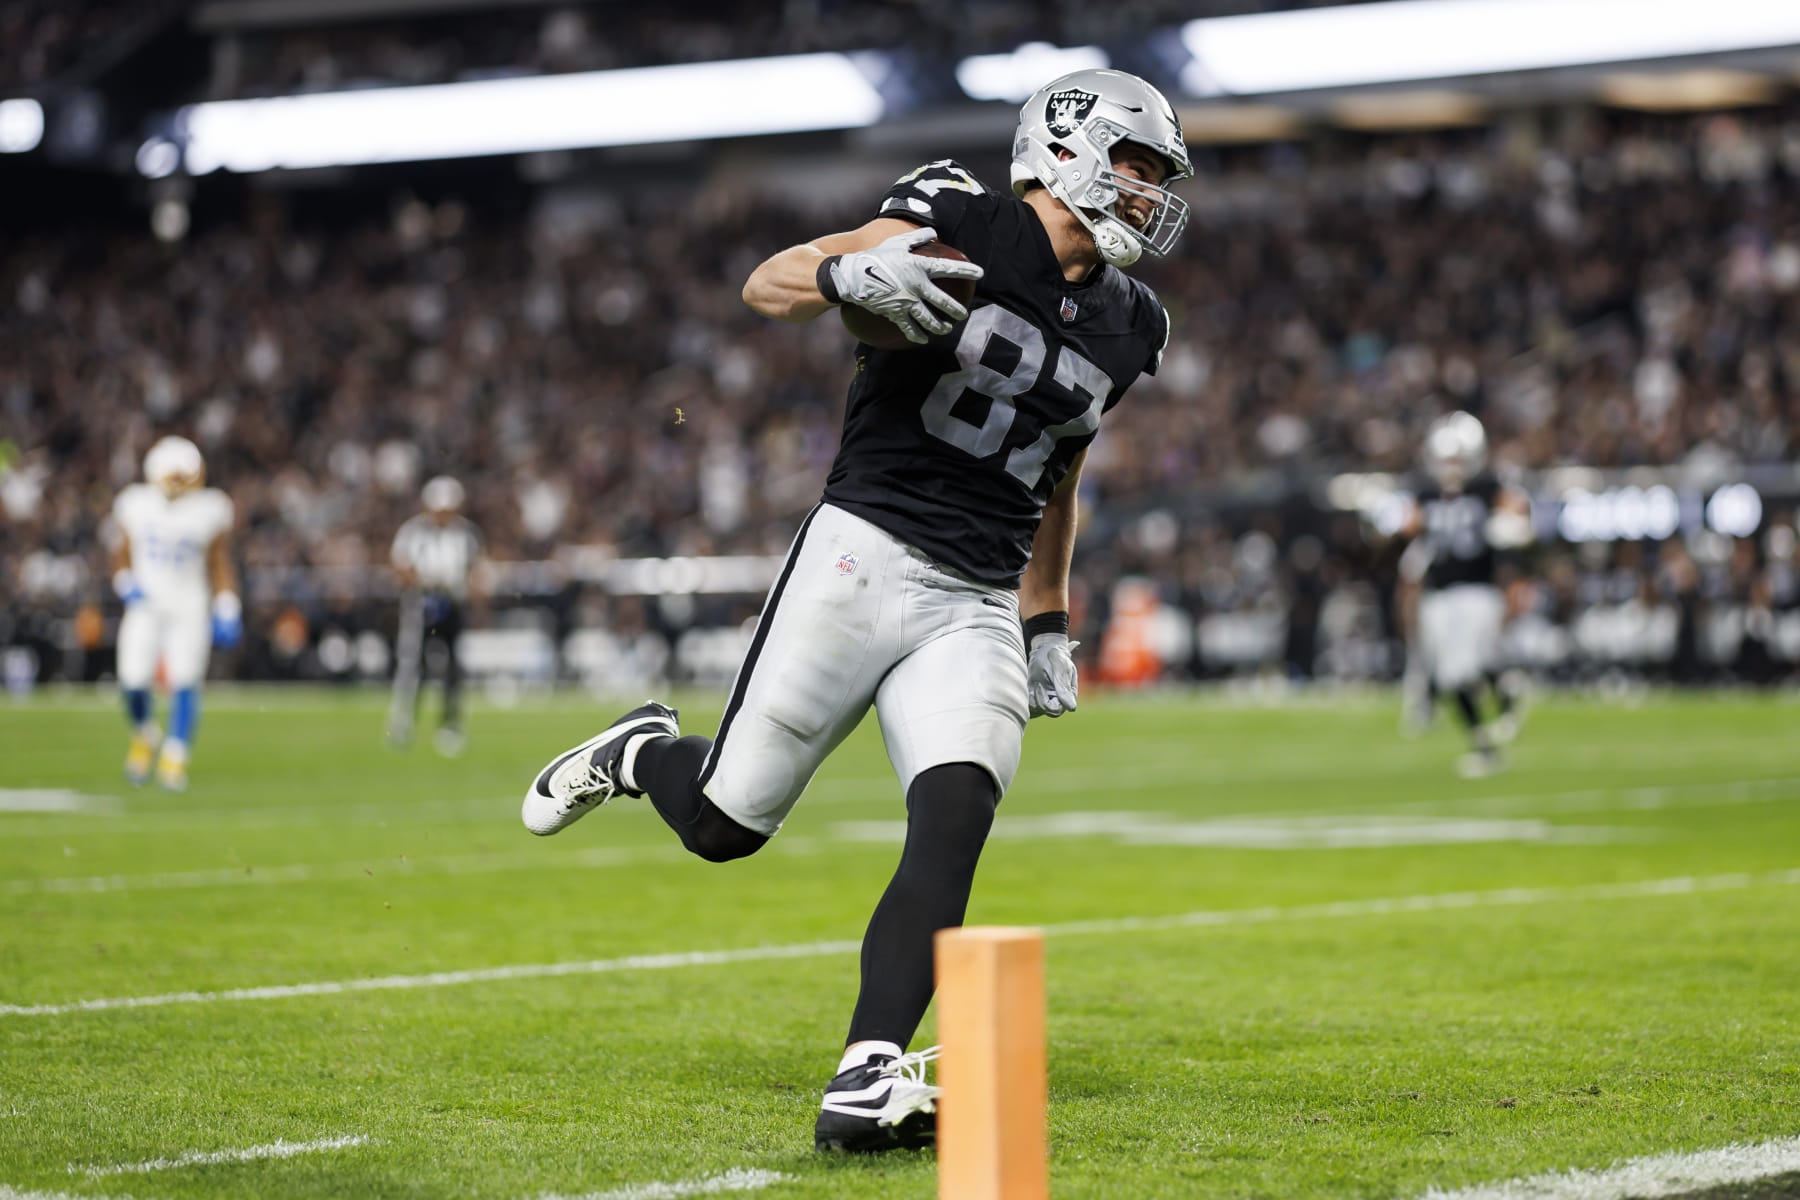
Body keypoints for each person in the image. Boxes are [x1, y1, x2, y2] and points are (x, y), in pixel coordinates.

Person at [519, 68, 1192, 1153]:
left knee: (959, 807)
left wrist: (1049, 619)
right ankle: (645, 754)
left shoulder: (1134, 326)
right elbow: (765, 280)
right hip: (862, 554)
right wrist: (846, 276)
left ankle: (865, 1072)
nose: (1151, 192)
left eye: (1161, 173)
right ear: (1069, 148)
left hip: (974, 593)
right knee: (725, 825)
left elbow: (1062, 467)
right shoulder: (959, 214)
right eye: (1137, 163)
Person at [1401, 412, 1532, 777]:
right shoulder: (1426, 493)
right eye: (1445, 459)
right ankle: (1503, 700)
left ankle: (1493, 724)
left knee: (1463, 669)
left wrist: (1510, 526)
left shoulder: (1488, 488)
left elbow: (1519, 517)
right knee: (1450, 674)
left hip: (1478, 589)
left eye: (1456, 459)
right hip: (1439, 593)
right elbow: (1406, 527)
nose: (1450, 467)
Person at [110, 435, 240, 791]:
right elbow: (121, 551)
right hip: (146, 604)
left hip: (189, 604)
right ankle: (145, 734)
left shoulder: (209, 508)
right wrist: (124, 581)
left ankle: (175, 755)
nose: (182, 483)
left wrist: (227, 604)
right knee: (132, 682)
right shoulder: (136, 503)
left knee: (186, 680)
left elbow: (219, 561)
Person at [388, 475, 484, 756]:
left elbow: (476, 570)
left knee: (453, 668)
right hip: (422, 603)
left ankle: (450, 725)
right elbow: (400, 567)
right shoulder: (413, 532)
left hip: (453, 603)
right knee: (412, 664)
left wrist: (463, 586)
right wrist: (427, 581)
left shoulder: (466, 534)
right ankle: (403, 721)